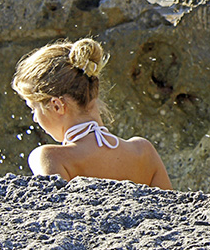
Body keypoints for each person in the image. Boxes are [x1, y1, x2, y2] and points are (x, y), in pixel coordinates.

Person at [12, 38, 173, 190]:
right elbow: (172, 212)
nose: (34, 118)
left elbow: (54, 214)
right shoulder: (143, 151)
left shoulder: (49, 158)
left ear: (56, 106)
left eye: (33, 109)